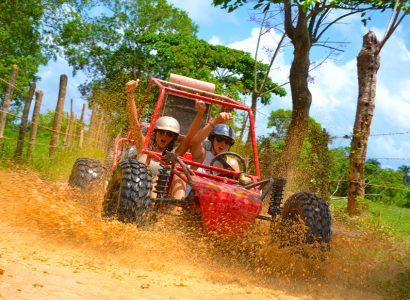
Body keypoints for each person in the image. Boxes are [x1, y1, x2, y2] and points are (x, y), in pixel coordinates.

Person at [126, 79, 206, 199]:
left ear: (173, 138)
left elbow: (189, 138)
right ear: (155, 133)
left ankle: (175, 213)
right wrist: (130, 95)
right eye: (161, 132)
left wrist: (200, 113)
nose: (164, 136)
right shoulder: (144, 147)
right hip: (133, 193)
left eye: (169, 134)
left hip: (158, 197)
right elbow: (134, 124)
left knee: (179, 175)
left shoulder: (173, 155)